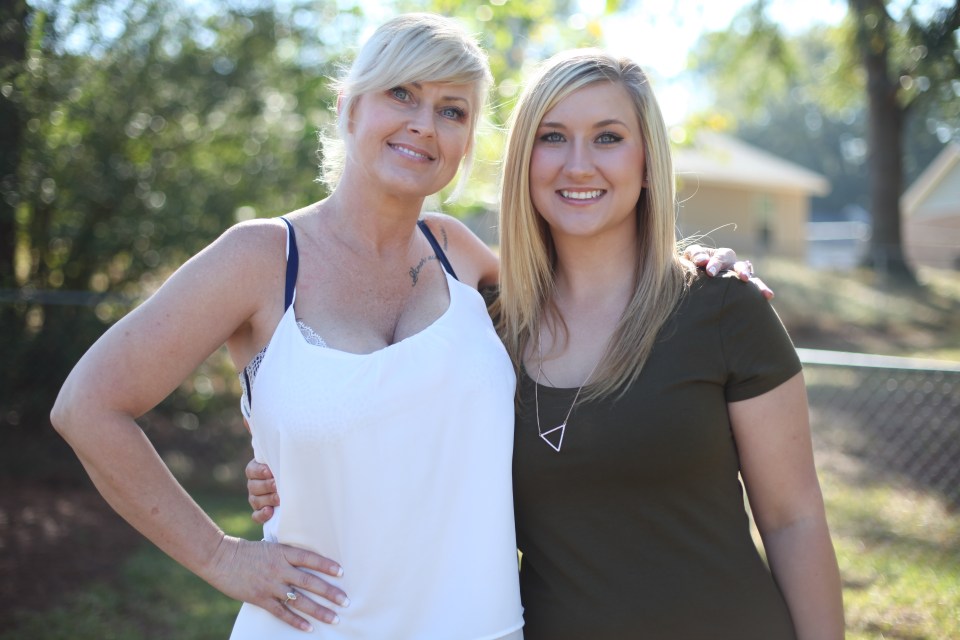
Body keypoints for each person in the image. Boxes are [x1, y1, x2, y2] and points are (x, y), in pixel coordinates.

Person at [249, 49, 844, 639]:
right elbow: (385, 440)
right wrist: (285, 468)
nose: (578, 165)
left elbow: (794, 520)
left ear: (646, 162)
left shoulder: (723, 307)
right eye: (553, 137)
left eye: (608, 138)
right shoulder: (483, 333)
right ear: (524, 161)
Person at [51, 13, 526, 639]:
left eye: (452, 110)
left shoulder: (460, 255)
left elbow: (588, 316)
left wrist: (689, 267)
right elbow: (87, 406)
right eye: (401, 93)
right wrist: (220, 556)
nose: (423, 123)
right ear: (349, 105)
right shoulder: (261, 259)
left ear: (467, 140)